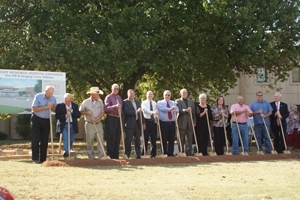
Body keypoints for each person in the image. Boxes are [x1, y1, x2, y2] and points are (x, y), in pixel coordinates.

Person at [31, 85, 57, 163]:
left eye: (51, 93)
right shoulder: (38, 96)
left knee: (45, 140)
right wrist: (46, 107)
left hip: (46, 120)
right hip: (36, 119)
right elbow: (34, 108)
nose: (50, 95)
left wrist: (51, 106)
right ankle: (35, 158)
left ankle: (43, 159)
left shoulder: (53, 98)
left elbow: (55, 110)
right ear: (45, 91)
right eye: (49, 93)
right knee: (35, 139)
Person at [79, 87, 105, 160]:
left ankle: (101, 156)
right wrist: (87, 113)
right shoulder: (85, 102)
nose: (98, 95)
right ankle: (91, 157)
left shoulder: (100, 102)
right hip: (89, 124)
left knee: (101, 140)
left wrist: (97, 118)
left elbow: (103, 112)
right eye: (97, 94)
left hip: (98, 123)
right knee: (90, 141)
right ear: (93, 94)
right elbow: (80, 112)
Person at [55, 93, 81, 158]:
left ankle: (68, 149)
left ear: (71, 100)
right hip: (64, 125)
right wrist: (65, 115)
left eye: (69, 101)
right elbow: (57, 116)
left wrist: (71, 111)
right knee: (66, 138)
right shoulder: (59, 106)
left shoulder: (75, 105)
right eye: (66, 101)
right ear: (64, 100)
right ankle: (66, 152)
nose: (67, 103)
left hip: (72, 125)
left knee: (71, 139)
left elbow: (78, 115)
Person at [123, 89, 145, 159]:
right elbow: (126, 111)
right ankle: (127, 154)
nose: (132, 95)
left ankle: (138, 155)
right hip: (129, 124)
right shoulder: (125, 102)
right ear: (128, 94)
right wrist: (136, 111)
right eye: (130, 93)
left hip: (137, 123)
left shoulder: (138, 102)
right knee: (128, 140)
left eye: (133, 93)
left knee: (137, 140)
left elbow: (141, 113)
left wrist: (143, 122)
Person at [157, 90, 179, 156]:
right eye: (166, 95)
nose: (167, 96)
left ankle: (170, 153)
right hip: (164, 123)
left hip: (172, 123)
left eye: (168, 95)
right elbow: (162, 109)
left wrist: (175, 109)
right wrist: (171, 108)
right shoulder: (160, 102)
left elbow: (177, 110)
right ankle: (164, 153)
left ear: (170, 96)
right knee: (164, 138)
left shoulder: (173, 102)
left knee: (171, 138)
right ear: (163, 95)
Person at [104, 83, 123, 159]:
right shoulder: (108, 97)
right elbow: (106, 109)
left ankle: (116, 155)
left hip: (118, 118)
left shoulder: (119, 98)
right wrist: (114, 106)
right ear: (111, 89)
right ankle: (110, 155)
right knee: (111, 137)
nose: (116, 90)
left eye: (117, 89)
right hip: (111, 118)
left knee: (117, 136)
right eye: (114, 89)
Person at [175, 89, 195, 156]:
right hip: (181, 122)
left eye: (185, 93)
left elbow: (194, 113)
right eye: (183, 93)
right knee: (181, 138)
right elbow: (178, 110)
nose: (184, 94)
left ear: (187, 93)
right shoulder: (177, 101)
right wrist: (185, 110)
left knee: (189, 138)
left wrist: (194, 122)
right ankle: (181, 152)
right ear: (180, 94)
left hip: (190, 122)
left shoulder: (191, 101)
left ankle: (188, 152)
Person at [141, 91, 158, 158]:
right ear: (146, 95)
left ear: (153, 95)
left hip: (153, 122)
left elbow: (156, 111)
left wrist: (156, 117)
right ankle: (143, 154)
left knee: (153, 139)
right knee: (145, 138)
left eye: (151, 94)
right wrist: (152, 113)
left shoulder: (154, 103)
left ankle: (153, 154)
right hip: (146, 121)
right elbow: (144, 110)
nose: (150, 95)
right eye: (149, 94)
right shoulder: (144, 102)